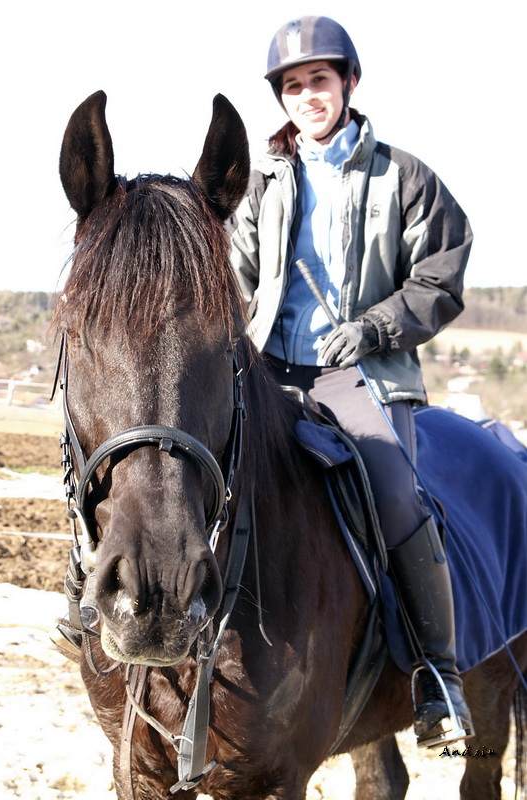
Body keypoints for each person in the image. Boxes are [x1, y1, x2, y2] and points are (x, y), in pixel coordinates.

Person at [228, 15, 474, 749]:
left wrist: (374, 328)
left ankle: (438, 678)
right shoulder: (261, 182)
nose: (308, 95)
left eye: (320, 80)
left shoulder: (404, 176)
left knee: (397, 497)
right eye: (293, 86)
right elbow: (236, 277)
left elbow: (441, 275)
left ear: (349, 83)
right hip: (270, 371)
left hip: (359, 374)